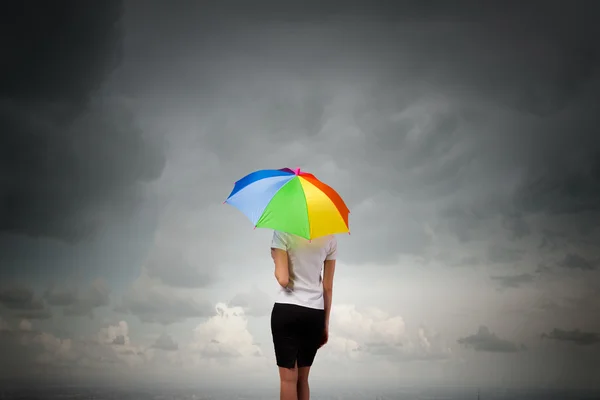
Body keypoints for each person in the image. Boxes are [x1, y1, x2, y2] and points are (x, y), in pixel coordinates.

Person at [270, 230, 337, 400]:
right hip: (314, 314)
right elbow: (328, 287)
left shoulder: (282, 233)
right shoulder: (330, 238)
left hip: (287, 311)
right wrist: (325, 324)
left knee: (287, 380)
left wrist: (275, 258)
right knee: (302, 379)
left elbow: (283, 279)